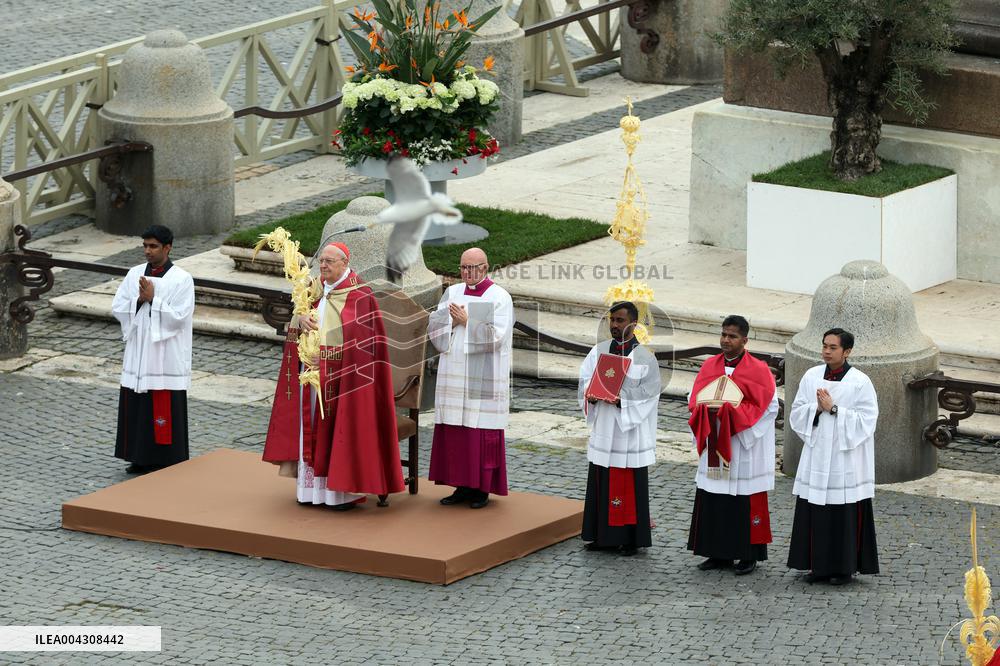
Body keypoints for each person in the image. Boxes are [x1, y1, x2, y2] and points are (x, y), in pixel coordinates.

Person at [262, 241, 405, 509]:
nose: (323, 266)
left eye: (329, 261)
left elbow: (365, 348)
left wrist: (327, 359)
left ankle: (340, 494)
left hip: (345, 383)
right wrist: (300, 320)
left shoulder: (360, 296)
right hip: (311, 375)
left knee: (339, 431)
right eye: (321, 261)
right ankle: (310, 491)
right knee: (310, 425)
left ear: (344, 263)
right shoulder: (313, 289)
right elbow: (299, 317)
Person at [687, 315, 778, 575]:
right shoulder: (710, 365)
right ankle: (717, 554)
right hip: (715, 439)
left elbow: (769, 407)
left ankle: (749, 555)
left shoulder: (758, 369)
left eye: (732, 336)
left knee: (744, 500)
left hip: (742, 445)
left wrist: (733, 416)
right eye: (724, 335)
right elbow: (694, 397)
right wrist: (705, 409)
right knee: (714, 497)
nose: (726, 340)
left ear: (744, 340)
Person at [787, 327, 879, 585]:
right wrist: (816, 409)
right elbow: (796, 412)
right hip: (817, 455)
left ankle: (843, 568)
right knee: (816, 510)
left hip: (844, 459)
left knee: (842, 513)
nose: (826, 351)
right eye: (824, 346)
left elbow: (868, 421)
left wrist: (834, 408)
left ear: (847, 351)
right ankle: (817, 566)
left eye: (833, 347)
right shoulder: (811, 376)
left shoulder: (860, 382)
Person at [427, 248, 513, 509]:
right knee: (457, 432)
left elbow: (498, 337)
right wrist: (450, 323)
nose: (467, 272)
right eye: (463, 267)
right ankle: (460, 486)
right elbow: (434, 326)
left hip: (483, 375)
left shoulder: (499, 297)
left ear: (485, 268)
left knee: (480, 433)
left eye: (472, 267)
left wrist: (467, 321)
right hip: (453, 373)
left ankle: (481, 489)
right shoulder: (452, 293)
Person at [578, 301, 660, 556]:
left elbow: (650, 393)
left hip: (628, 432)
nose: (614, 325)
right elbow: (584, 380)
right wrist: (590, 395)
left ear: (633, 324)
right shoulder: (599, 351)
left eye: (620, 320)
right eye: (612, 320)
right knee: (602, 480)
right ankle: (602, 536)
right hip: (604, 426)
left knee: (628, 483)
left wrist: (622, 400)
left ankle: (630, 538)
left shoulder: (644, 357)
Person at [111, 225, 194, 474]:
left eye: (153, 246)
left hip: (165, 355)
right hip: (139, 352)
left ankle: (165, 459)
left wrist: (153, 300)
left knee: (161, 403)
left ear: (167, 248)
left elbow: (180, 317)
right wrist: (138, 299)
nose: (148, 251)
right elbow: (118, 307)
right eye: (145, 246)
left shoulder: (181, 279)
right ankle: (138, 457)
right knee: (137, 404)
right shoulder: (134, 274)